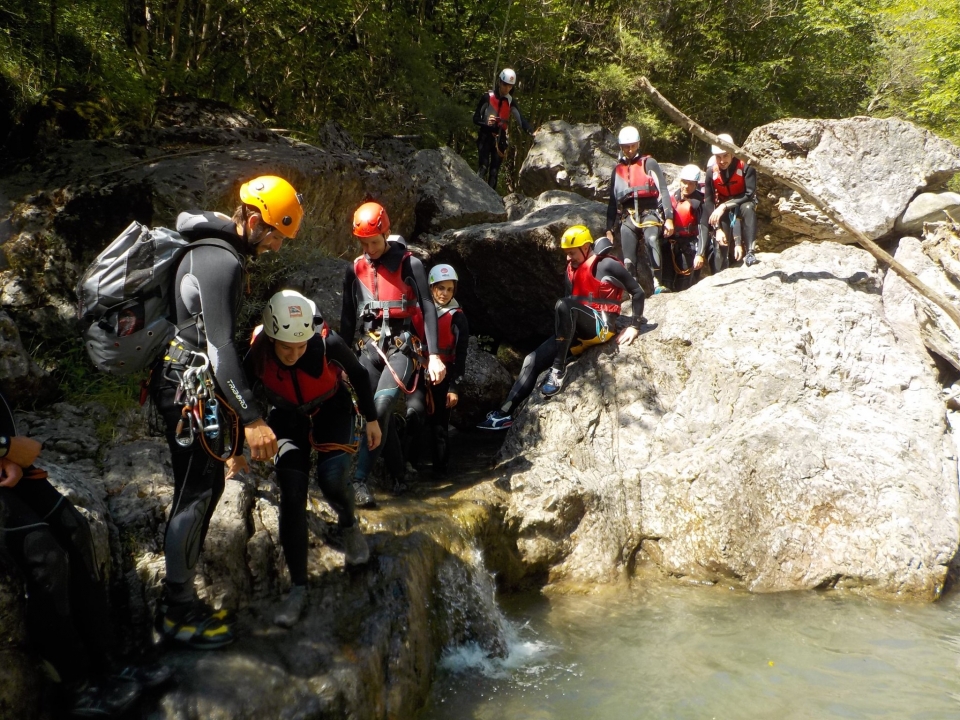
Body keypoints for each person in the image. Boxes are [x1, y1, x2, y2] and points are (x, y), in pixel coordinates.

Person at [150, 175, 303, 648]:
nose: (276, 246)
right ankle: (176, 609)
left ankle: (178, 598)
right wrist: (254, 419)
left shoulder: (210, 250)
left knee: (204, 485)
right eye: (276, 234)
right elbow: (219, 351)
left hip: (182, 381)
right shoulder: (220, 262)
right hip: (187, 388)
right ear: (254, 220)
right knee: (196, 492)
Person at [0, 392, 172, 717]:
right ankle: (75, 685)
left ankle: (107, 661)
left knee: (75, 528)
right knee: (46, 555)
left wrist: (10, 453)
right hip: (7, 456)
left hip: (9, 464)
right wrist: (7, 447)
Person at [230, 291, 382, 628]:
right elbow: (241, 392)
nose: (295, 354)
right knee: (292, 494)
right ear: (272, 337)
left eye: (300, 346)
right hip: (286, 417)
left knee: (332, 481)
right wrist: (236, 448)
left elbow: (357, 374)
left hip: (332, 409)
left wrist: (371, 420)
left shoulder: (327, 342)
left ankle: (348, 524)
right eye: (286, 348)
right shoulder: (258, 352)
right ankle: (298, 587)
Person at [478, 226, 644, 430]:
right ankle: (503, 414)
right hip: (578, 332)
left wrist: (634, 326)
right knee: (531, 360)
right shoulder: (571, 270)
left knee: (563, 304)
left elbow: (637, 292)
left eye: (571, 253)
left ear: (585, 247)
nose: (568, 258)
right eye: (566, 253)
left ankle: (558, 369)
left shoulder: (608, 265)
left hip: (601, 327)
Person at [340, 202, 444, 507]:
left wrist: (435, 355)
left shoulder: (410, 264)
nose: (369, 248)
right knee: (369, 413)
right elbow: (348, 319)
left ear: (386, 233)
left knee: (382, 407)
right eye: (364, 243)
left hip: (402, 346)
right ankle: (400, 477)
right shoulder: (354, 269)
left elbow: (427, 306)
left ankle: (358, 481)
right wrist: (343, 360)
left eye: (374, 241)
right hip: (368, 347)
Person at [410, 264, 470, 475]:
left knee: (439, 427)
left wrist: (454, 387)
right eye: (440, 288)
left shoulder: (458, 317)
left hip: (444, 374)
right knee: (414, 417)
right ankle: (411, 467)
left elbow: (460, 356)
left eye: (449, 289)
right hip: (418, 370)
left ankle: (440, 472)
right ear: (431, 287)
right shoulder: (417, 310)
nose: (444, 294)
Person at [605, 125, 674, 294]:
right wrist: (609, 228)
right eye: (626, 147)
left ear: (638, 144)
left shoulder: (649, 163)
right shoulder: (617, 170)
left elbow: (663, 190)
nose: (629, 150)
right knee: (628, 255)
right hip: (628, 216)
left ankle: (658, 283)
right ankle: (633, 290)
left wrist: (669, 217)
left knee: (651, 240)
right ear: (621, 147)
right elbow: (613, 202)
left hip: (649, 211)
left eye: (633, 146)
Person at [472, 68, 536, 191]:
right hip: (485, 136)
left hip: (500, 138)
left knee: (494, 173)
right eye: (505, 84)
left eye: (510, 86)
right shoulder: (487, 97)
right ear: (500, 82)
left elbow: (521, 120)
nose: (507, 88)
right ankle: (474, 195)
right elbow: (475, 118)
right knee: (483, 167)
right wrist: (486, 122)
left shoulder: (511, 101)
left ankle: (490, 201)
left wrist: (531, 132)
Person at [703, 133, 759, 271]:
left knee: (748, 207)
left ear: (733, 153)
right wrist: (717, 229)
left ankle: (751, 252)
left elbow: (749, 194)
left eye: (725, 155)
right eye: (718, 157)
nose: (722, 161)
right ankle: (719, 269)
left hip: (742, 203)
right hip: (724, 208)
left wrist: (724, 205)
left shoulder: (746, 166)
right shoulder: (711, 172)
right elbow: (709, 201)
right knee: (721, 230)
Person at [669, 164, 708, 291]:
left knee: (685, 280)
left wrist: (700, 254)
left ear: (696, 184)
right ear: (680, 181)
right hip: (671, 242)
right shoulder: (672, 198)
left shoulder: (700, 202)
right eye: (684, 182)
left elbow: (703, 228)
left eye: (691, 183)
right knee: (667, 277)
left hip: (690, 244)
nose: (686, 186)